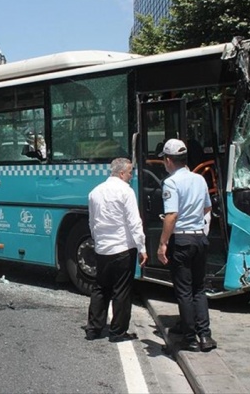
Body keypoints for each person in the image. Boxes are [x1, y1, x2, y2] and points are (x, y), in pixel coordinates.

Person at [156, 139, 216, 352]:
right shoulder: (199, 179)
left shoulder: (171, 183)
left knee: (184, 291)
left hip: (181, 241)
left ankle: (189, 339)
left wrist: (162, 244)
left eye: (164, 159)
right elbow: (207, 209)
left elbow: (171, 215)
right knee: (199, 289)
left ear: (169, 160)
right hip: (200, 238)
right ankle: (205, 336)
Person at [85, 158, 148, 342]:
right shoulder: (126, 191)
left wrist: (97, 242)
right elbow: (134, 222)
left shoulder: (94, 192)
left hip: (102, 249)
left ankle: (93, 329)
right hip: (122, 248)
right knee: (121, 290)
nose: (131, 176)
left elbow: (92, 222)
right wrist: (142, 247)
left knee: (100, 288)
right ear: (121, 173)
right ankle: (117, 332)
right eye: (130, 173)